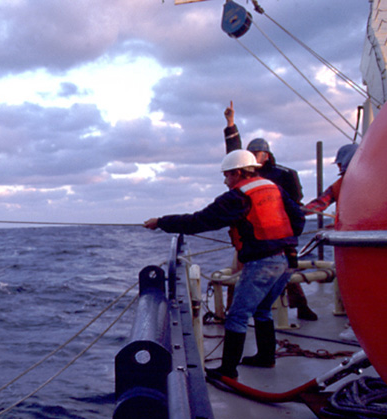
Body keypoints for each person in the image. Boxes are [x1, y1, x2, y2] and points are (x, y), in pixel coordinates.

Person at [144, 150, 306, 381]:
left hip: (263, 263)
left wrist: (161, 222)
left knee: (237, 317)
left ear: (238, 173)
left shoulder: (237, 197)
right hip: (288, 259)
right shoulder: (274, 188)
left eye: (227, 175)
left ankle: (228, 371)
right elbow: (297, 219)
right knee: (262, 310)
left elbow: (198, 221)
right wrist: (283, 240)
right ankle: (266, 357)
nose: (225, 181)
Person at [224, 101, 317, 321]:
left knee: (284, 275)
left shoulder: (283, 175)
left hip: (276, 235)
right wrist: (230, 124)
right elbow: (234, 153)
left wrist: (289, 236)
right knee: (237, 273)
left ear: (267, 154)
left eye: (258, 153)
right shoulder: (245, 171)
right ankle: (229, 311)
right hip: (249, 235)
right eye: (251, 153)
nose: (254, 156)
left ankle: (301, 306)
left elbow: (294, 205)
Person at [303, 144, 358, 214]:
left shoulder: (339, 185)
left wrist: (297, 211)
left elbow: (321, 203)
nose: (339, 168)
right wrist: (298, 211)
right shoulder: (338, 186)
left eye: (339, 164)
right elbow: (321, 203)